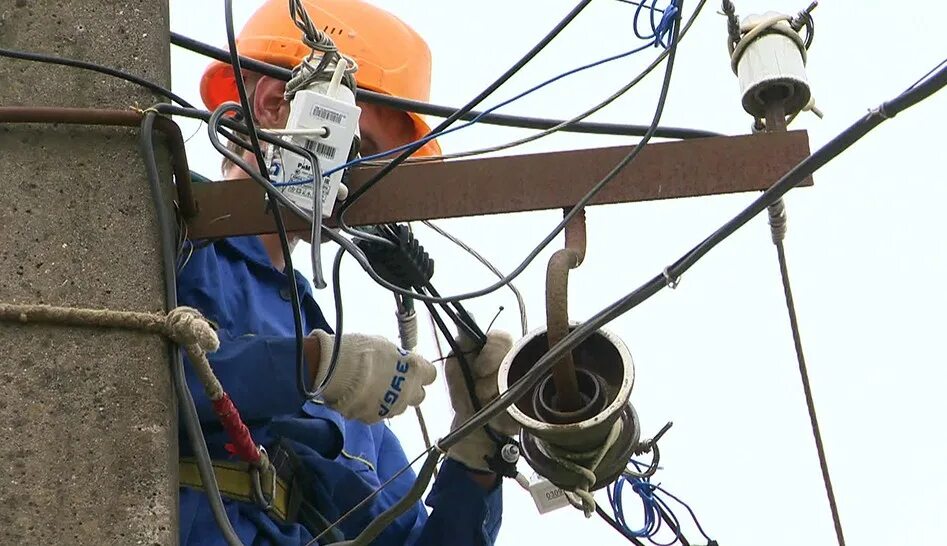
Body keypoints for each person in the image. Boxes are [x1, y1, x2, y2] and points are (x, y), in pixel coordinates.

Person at [178, 1, 519, 545]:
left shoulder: (357, 390)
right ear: (271, 102)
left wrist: (478, 452)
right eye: (364, 150)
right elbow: (108, 378)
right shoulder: (166, 221)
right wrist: (309, 365)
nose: (370, 190)